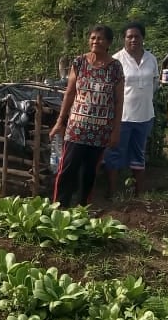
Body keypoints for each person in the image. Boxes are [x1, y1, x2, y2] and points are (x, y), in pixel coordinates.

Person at [49, 25, 124, 208]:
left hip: (100, 130)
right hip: (77, 128)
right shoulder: (79, 62)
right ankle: (59, 208)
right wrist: (60, 121)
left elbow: (119, 101)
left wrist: (115, 130)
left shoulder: (115, 67)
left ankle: (83, 208)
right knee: (67, 168)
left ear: (108, 43)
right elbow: (69, 93)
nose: (95, 41)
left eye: (100, 38)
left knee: (89, 171)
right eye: (92, 38)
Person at [103, 22, 159, 197]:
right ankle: (112, 193)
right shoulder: (116, 60)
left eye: (137, 36)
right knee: (115, 153)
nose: (133, 39)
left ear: (143, 38)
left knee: (139, 153)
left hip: (145, 115)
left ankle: (138, 193)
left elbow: (155, 83)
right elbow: (109, 89)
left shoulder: (151, 59)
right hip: (122, 117)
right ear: (124, 39)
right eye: (130, 37)